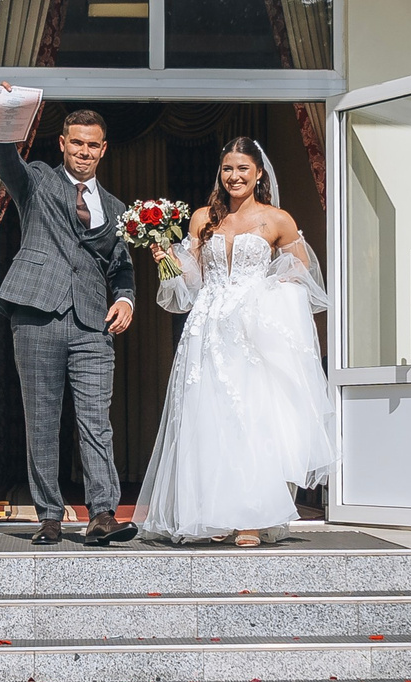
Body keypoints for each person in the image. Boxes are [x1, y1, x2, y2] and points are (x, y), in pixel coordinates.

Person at [140, 138, 334, 545]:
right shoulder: (201, 219)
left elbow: (302, 278)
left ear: (258, 173)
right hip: (206, 327)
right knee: (206, 419)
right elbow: (191, 283)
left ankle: (249, 518)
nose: (234, 176)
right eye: (228, 168)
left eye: (243, 168)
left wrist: (263, 301)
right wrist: (169, 262)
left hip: (251, 332)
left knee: (250, 419)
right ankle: (215, 513)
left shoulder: (277, 220)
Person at [0, 107, 137, 546]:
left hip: (93, 323)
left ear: (103, 149)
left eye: (93, 144)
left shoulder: (115, 208)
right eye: (77, 142)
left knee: (96, 420)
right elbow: (5, 159)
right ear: (62, 143)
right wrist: (5, 111)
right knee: (42, 419)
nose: (84, 152)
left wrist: (126, 297)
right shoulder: (36, 181)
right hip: (36, 313)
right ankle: (50, 516)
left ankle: (102, 514)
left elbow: (121, 266)